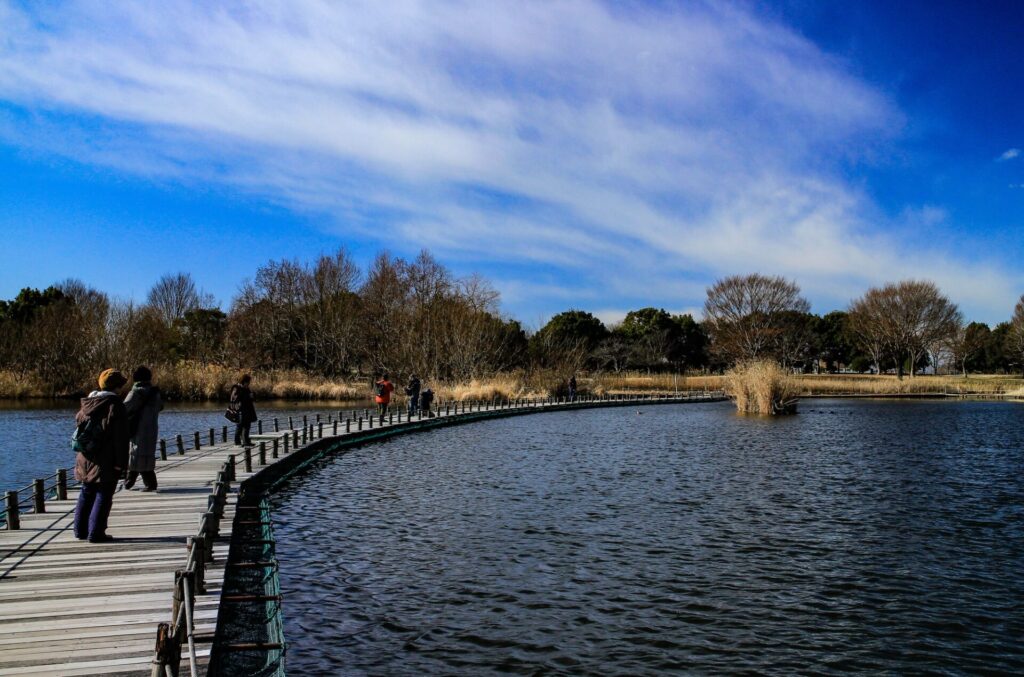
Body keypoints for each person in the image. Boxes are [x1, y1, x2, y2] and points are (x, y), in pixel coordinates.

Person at [74, 368, 129, 543]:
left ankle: (80, 530)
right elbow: (121, 438)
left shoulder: (87, 403)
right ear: (117, 387)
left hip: (85, 457)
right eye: (121, 385)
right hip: (107, 458)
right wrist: (121, 464)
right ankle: (96, 533)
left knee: (86, 492)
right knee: (104, 495)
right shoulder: (115, 405)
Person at [123, 366, 164, 492]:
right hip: (152, 428)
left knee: (135, 452)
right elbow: (160, 407)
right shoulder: (155, 393)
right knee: (147, 453)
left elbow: (124, 408)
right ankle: (130, 481)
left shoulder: (135, 392)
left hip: (137, 427)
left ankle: (148, 483)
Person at [230, 374, 257, 447]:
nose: (248, 384)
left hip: (247, 410)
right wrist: (247, 396)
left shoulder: (246, 388)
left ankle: (246, 442)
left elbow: (250, 399)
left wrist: (252, 396)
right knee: (240, 426)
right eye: (248, 382)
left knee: (247, 426)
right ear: (244, 381)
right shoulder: (237, 388)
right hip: (240, 411)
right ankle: (237, 442)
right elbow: (235, 399)